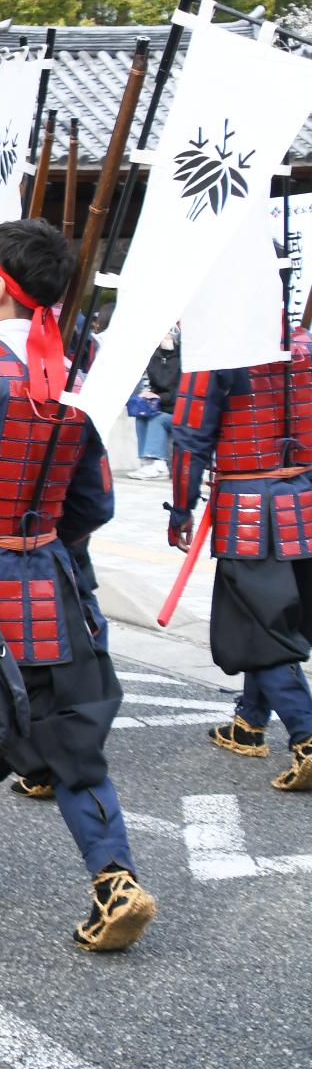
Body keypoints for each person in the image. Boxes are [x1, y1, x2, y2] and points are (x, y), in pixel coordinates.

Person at [0, 221, 154, 952]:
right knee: (72, 745)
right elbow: (94, 505)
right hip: (49, 582)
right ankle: (113, 874)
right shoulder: (73, 387)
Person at [171, 313, 312, 792]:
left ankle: (306, 735)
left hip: (250, 512)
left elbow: (190, 439)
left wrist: (180, 508)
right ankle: (249, 723)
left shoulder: (217, 347)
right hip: (306, 502)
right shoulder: (304, 343)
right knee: (268, 622)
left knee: (259, 632)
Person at [128, 331, 179, 480]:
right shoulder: (153, 358)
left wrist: (158, 397)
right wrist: (146, 394)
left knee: (157, 419)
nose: (165, 338)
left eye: (168, 335)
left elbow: (180, 391)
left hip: (178, 410)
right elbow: (151, 384)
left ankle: (159, 464)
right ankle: (147, 461)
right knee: (141, 417)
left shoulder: (182, 360)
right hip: (160, 407)